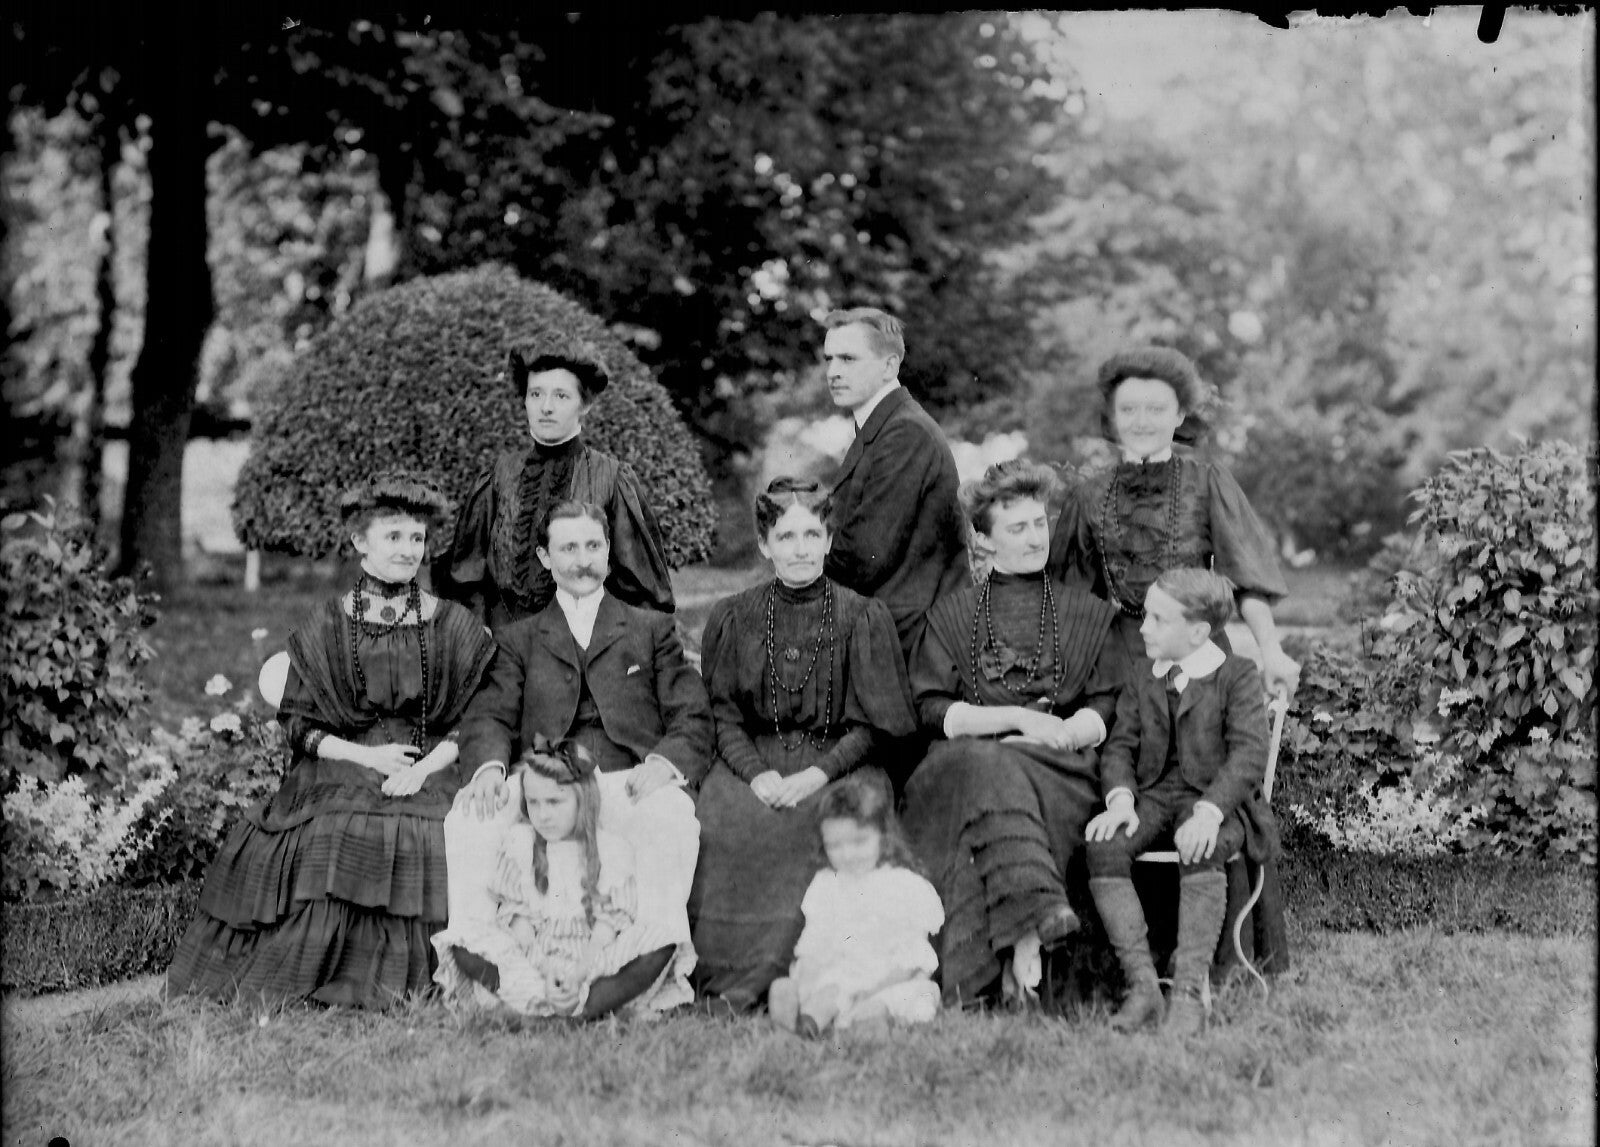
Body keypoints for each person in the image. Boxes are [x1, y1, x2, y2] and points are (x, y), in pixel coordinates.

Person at [167, 472, 497, 1008]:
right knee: (337, 826)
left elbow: (479, 718)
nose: (408, 549)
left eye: (417, 538)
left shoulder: (452, 624)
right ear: (360, 541)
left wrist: (422, 768)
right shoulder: (327, 624)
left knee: (432, 828)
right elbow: (301, 727)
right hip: (346, 756)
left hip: (434, 758)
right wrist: (368, 756)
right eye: (394, 536)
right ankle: (325, 969)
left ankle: (424, 978)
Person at [445, 500, 711, 1015]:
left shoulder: (650, 628)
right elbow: (491, 714)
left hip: (625, 778)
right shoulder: (519, 638)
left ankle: (628, 984)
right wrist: (489, 769)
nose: (582, 560)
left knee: (671, 817)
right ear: (545, 558)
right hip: (542, 782)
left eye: (593, 546)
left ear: (609, 552)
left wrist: (664, 763)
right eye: (568, 548)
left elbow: (691, 713)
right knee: (469, 819)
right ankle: (504, 979)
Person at [900, 461, 1129, 1007]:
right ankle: (1035, 913)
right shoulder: (951, 616)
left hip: (1058, 766)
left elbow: (1108, 703)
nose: (1034, 538)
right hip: (961, 765)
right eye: (1016, 527)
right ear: (983, 539)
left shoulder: (1086, 613)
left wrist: (1065, 732)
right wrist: (1019, 720)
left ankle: (1002, 957)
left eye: (1039, 523)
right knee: (986, 763)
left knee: (995, 771)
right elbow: (930, 708)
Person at [689, 477, 918, 1011]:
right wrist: (756, 774)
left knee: (821, 820)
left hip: (841, 763)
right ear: (764, 544)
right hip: (754, 760)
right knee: (724, 818)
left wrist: (818, 774)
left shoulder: (862, 615)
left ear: (829, 540)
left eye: (812, 535)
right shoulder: (733, 616)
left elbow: (877, 725)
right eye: (786, 537)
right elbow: (722, 714)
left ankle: (809, 978)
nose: (800, 549)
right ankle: (729, 979)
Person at [1085, 568, 1280, 1036]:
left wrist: (1209, 813)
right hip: (1153, 796)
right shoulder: (1143, 675)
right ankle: (1143, 987)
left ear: (1196, 632)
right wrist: (1120, 800)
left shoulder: (1235, 675)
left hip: (1217, 800)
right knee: (1105, 847)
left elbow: (1249, 753)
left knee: (1200, 845)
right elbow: (1119, 747)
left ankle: (1189, 991)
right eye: (1146, 616)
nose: (1144, 628)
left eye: (1158, 619)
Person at [1049, 345, 1299, 700]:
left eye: (1156, 409)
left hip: (1200, 658)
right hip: (1120, 667)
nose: (1142, 421)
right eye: (1129, 409)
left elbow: (1247, 581)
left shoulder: (1208, 484)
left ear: (1180, 414)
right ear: (1113, 416)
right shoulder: (1087, 497)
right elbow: (1071, 606)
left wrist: (1271, 653)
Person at [432, 739, 681, 1017]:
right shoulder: (521, 843)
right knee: (463, 941)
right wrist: (547, 972)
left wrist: (578, 974)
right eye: (533, 803)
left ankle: (584, 1007)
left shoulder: (611, 849)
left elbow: (605, 933)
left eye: (554, 802)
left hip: (591, 959)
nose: (543, 815)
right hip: (534, 959)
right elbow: (521, 929)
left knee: (662, 940)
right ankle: (543, 1002)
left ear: (583, 799)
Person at [434, 347, 674, 629]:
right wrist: (479, 635)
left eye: (561, 396)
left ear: (584, 405)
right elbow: (465, 580)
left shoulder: (611, 478)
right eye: (536, 394)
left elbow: (641, 595)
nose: (546, 407)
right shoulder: (498, 476)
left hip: (584, 646)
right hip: (501, 646)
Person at [820, 307, 968, 659]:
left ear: (889, 366)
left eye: (848, 359)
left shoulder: (905, 432)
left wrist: (797, 569)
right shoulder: (884, 427)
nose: (833, 372)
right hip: (886, 635)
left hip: (914, 649)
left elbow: (865, 555)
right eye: (829, 359)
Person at [767, 776, 944, 1037]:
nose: (847, 855)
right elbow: (814, 943)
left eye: (859, 841)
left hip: (890, 979)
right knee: (827, 990)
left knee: (916, 995)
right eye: (835, 846)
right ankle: (804, 1020)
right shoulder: (826, 884)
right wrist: (809, 975)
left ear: (883, 837)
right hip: (839, 977)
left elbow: (913, 959)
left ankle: (869, 1019)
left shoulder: (906, 885)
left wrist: (869, 989)